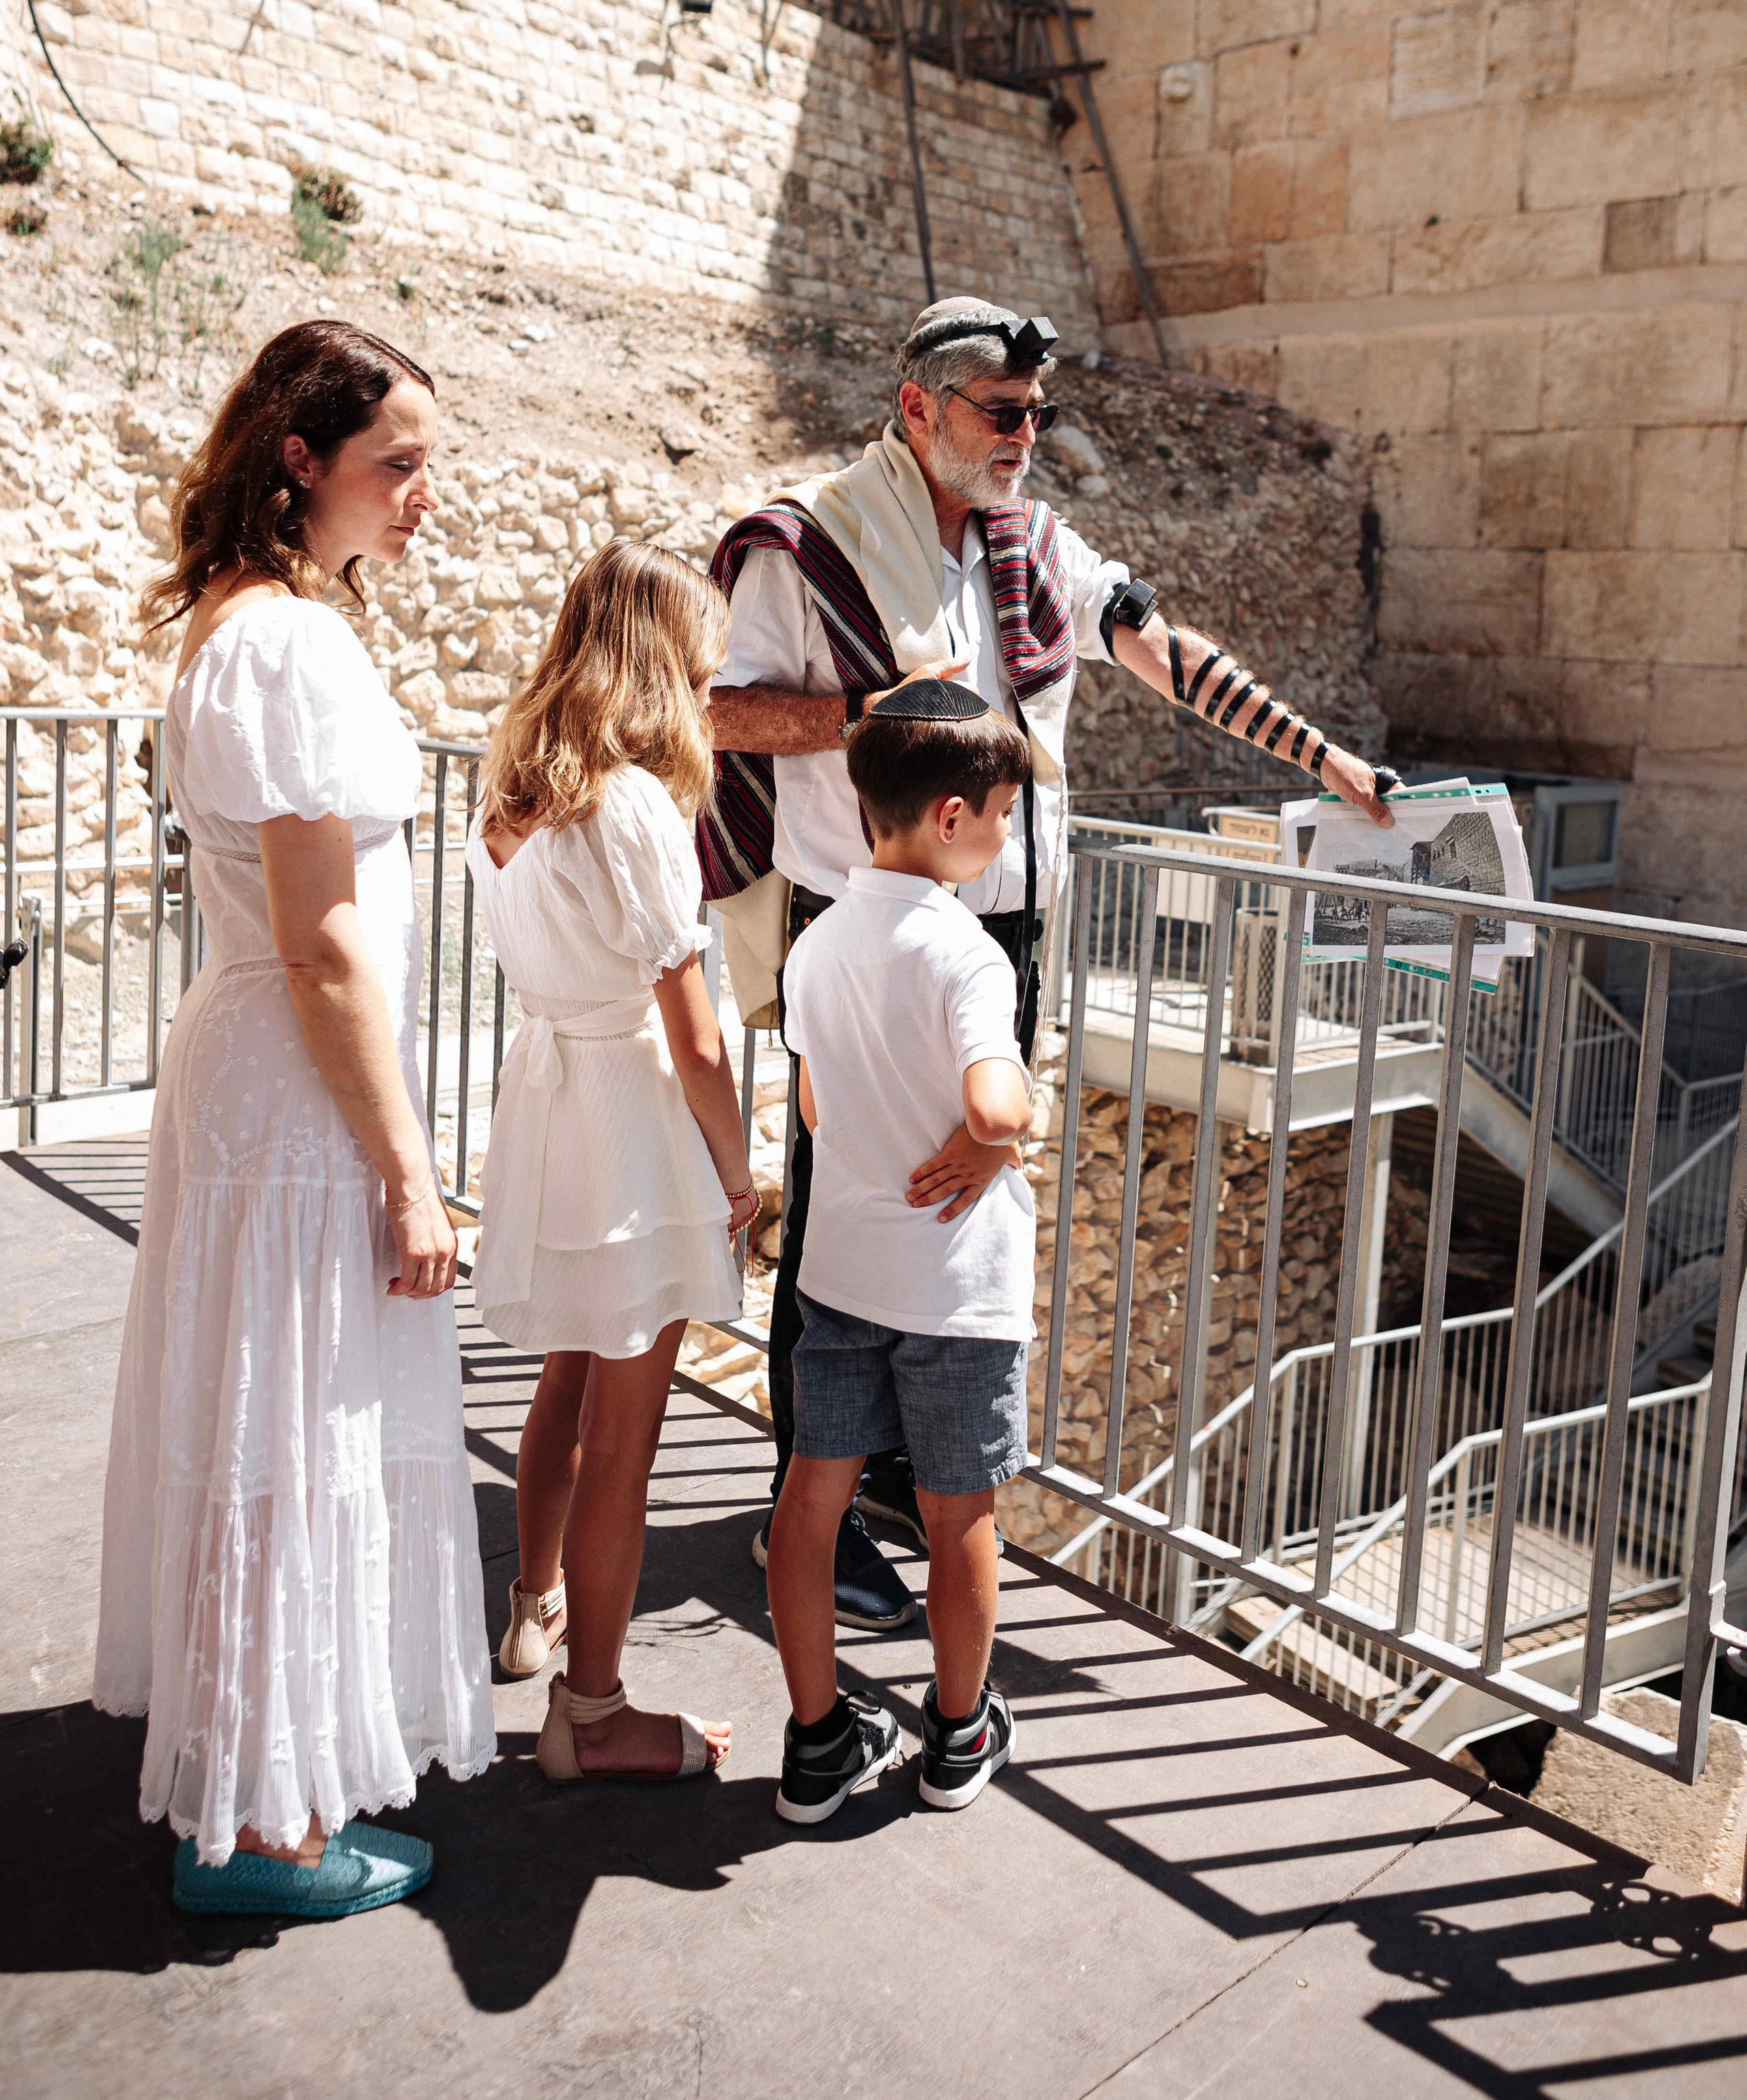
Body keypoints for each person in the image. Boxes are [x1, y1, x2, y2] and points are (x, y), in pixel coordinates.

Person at [701, 295, 1391, 1626]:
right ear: (918, 407)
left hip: (998, 933)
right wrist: (876, 711)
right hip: (853, 922)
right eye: (999, 414)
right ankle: (808, 1505)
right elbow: (726, 710)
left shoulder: (1029, 544)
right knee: (841, 1215)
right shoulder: (811, 543)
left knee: (945, 1198)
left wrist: (1323, 761)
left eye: (1036, 415)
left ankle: (889, 1470)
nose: (1025, 435)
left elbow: (1158, 647)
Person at [94, 321, 494, 1919]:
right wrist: (410, 1177)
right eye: (397, 464)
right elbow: (329, 940)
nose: (421, 497)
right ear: (297, 462)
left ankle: (259, 1780)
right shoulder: (288, 645)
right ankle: (261, 1835)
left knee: (267, 1426)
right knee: (294, 1430)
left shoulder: (248, 626)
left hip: (262, 1071)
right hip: (296, 1090)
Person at [465, 540, 755, 1784]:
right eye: (702, 666)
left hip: (555, 1100)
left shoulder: (514, 791)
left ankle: (535, 1613)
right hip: (630, 1119)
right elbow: (695, 1040)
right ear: (659, 663)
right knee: (629, 1437)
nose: (709, 688)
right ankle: (593, 1716)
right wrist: (738, 1177)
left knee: (566, 1385)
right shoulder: (634, 805)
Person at [766, 680, 1035, 1822]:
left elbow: (820, 1110)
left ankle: (819, 1739)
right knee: (954, 1513)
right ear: (950, 816)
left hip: (842, 1276)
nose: (1008, 834)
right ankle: (960, 1731)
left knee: (811, 1500)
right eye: (1005, 814)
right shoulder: (968, 956)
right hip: (953, 1291)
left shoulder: (817, 944)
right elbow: (999, 1107)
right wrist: (996, 1133)